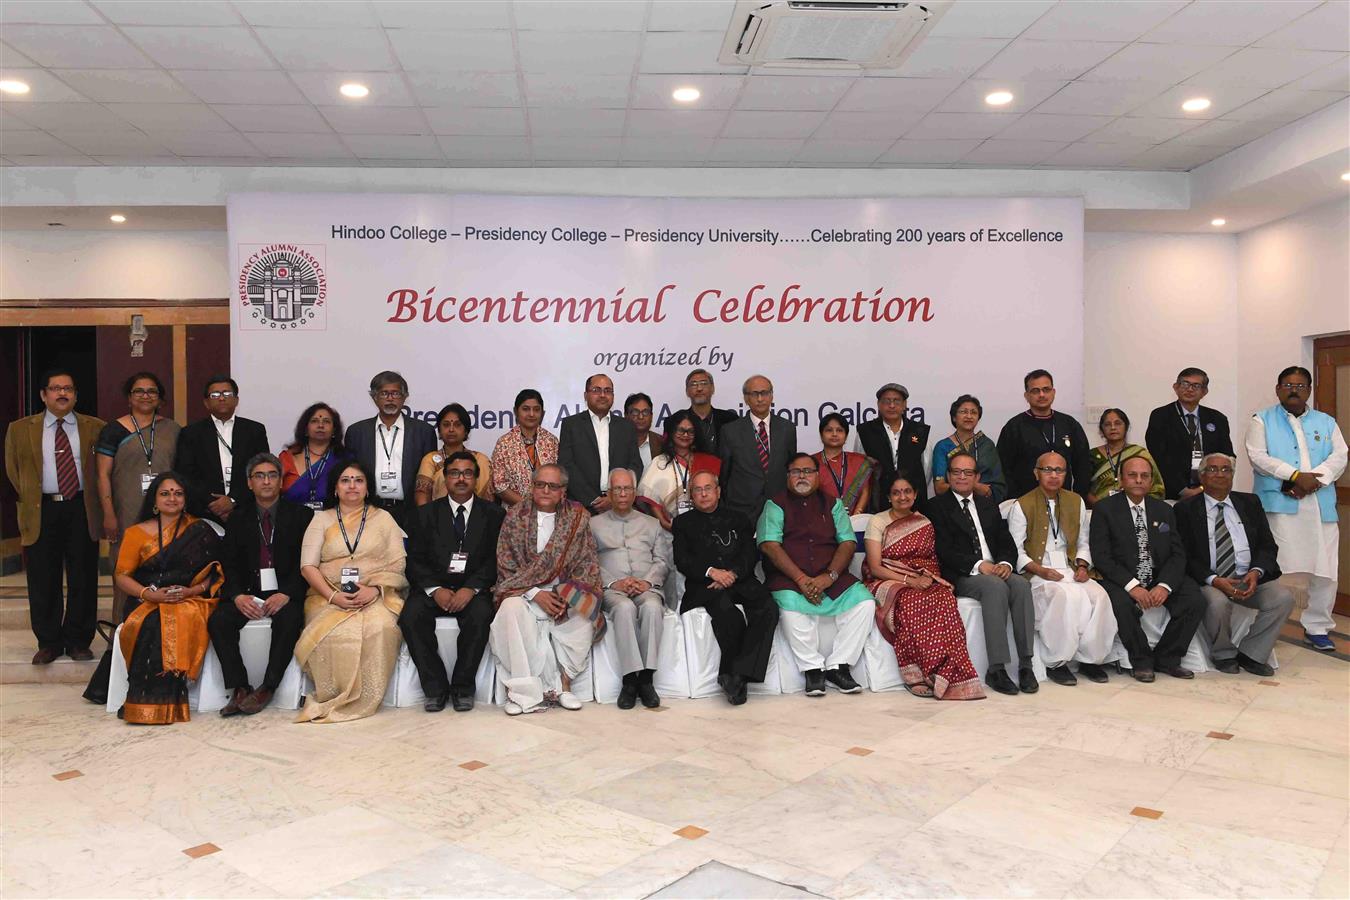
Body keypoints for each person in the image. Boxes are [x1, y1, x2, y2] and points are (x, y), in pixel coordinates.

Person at [294, 460, 409, 723]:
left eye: (358, 480)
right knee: (334, 632)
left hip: (376, 595)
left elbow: (397, 563)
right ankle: (334, 694)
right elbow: (308, 566)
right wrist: (333, 596)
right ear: (335, 488)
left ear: (368, 488)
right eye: (345, 480)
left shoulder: (384, 518)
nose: (352, 486)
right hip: (326, 595)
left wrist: (376, 590)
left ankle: (366, 697)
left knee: (381, 626)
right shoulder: (320, 520)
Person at [4, 369, 104, 664]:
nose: (63, 394)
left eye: (69, 389)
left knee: (83, 576)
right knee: (42, 577)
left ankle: (77, 640)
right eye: (56, 389)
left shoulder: (95, 427)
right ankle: (48, 641)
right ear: (43, 395)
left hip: (80, 508)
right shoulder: (20, 428)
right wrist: (34, 495)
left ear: (75, 395)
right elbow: (13, 470)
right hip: (41, 509)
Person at [1245, 366, 1346, 652]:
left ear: (1309, 390)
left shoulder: (1326, 422)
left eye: (1301, 386)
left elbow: (1340, 456)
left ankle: (1317, 627)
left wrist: (1312, 481)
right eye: (1288, 384)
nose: (1294, 390)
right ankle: (1258, 624)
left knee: (1326, 571)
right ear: (1278, 389)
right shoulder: (1261, 420)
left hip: (1320, 506)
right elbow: (1257, 456)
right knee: (1267, 566)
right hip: (1278, 506)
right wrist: (1294, 476)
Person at [108, 472, 223, 724]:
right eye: (165, 493)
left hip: (191, 600)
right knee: (151, 623)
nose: (172, 498)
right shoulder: (136, 533)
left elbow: (216, 574)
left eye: (178, 493)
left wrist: (191, 591)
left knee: (177, 617)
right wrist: (150, 594)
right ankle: (140, 701)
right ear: (154, 500)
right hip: (146, 599)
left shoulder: (199, 529)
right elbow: (122, 576)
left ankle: (168, 703)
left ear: (185, 498)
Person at [491, 464, 603, 715]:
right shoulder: (515, 516)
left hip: (563, 590)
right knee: (510, 610)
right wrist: (535, 594)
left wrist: (565, 594)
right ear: (532, 487)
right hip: (523, 591)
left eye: (553, 486)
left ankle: (563, 686)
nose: (545, 490)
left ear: (563, 491)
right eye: (540, 484)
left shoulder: (577, 517)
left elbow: (587, 561)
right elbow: (506, 565)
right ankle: (521, 692)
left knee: (584, 608)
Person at [758, 454, 873, 697]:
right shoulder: (775, 505)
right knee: (789, 607)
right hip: (790, 578)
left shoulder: (833, 504)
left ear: (818, 476)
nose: (802, 476)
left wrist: (829, 577)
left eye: (808, 471)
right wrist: (800, 579)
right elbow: (770, 545)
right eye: (796, 472)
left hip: (830, 576)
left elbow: (848, 543)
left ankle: (838, 665)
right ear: (787, 476)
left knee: (864, 603)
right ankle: (812, 669)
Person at [862, 473, 984, 700]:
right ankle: (916, 674)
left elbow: (930, 561)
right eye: (896, 492)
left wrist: (925, 579)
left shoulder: (924, 522)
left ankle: (948, 671)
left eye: (907, 491)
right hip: (885, 580)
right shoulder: (878, 521)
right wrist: (909, 581)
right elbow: (875, 566)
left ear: (916, 494)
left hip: (921, 578)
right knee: (910, 600)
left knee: (944, 597)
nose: (902, 497)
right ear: (888, 497)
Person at [211, 452, 314, 715]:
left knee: (290, 619)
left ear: (281, 481)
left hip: (287, 592)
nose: (266, 481)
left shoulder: (302, 516)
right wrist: (236, 596)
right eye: (259, 476)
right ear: (249, 483)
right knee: (219, 620)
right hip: (248, 592)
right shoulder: (237, 518)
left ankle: (268, 687)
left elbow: (308, 563)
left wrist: (287, 594)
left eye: (272, 475)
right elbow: (229, 564)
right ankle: (240, 688)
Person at [402, 451, 504, 712]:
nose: (461, 479)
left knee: (481, 615)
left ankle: (462, 688)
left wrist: (471, 588)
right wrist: (435, 590)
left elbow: (497, 559)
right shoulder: (425, 514)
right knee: (410, 616)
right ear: (445, 479)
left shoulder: (494, 515)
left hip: (473, 589)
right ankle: (434, 689)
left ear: (477, 479)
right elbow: (414, 560)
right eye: (454, 473)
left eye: (468, 473)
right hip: (433, 588)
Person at [929, 452, 1038, 694]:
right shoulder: (936, 506)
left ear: (977, 477)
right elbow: (944, 549)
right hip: (964, 574)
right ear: (948, 475)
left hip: (995, 568)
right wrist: (980, 566)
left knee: (1021, 585)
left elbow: (1005, 541)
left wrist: (1005, 564)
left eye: (968, 472)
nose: (962, 477)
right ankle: (996, 669)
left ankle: (1026, 665)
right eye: (956, 472)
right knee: (995, 586)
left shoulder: (987, 503)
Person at [1174, 453, 1293, 676]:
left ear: (1233, 475)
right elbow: (1183, 555)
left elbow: (1267, 546)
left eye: (1226, 469)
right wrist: (1214, 580)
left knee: (1283, 598)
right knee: (1217, 604)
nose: (1219, 474)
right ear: (1201, 476)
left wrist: (1256, 572)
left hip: (1248, 578)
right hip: (1210, 580)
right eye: (1212, 469)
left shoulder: (1250, 502)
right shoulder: (1185, 509)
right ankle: (1223, 654)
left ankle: (1252, 654)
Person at [1089, 456, 1205, 682]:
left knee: (1194, 600)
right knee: (1121, 605)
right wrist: (1133, 587)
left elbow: (1177, 554)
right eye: (1132, 475)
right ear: (1121, 480)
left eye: (1145, 476)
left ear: (1152, 481)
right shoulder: (1104, 509)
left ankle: (1167, 658)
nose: (1139, 480)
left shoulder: (1164, 510)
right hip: (1121, 577)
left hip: (1158, 575)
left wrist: (1164, 585)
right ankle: (1141, 661)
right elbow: (1102, 557)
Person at [1006, 452, 1117, 686]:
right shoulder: (1021, 505)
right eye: (1047, 470)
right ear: (1036, 473)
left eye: (1060, 470)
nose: (1054, 475)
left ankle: (1091, 659)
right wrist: (1040, 570)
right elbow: (1014, 551)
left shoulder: (1076, 501)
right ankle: (1058, 662)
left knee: (1099, 596)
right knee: (1062, 595)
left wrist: (1083, 565)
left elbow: (1084, 541)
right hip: (1038, 572)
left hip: (1069, 567)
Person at [672, 471, 780, 705]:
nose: (703, 494)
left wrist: (732, 573)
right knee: (728, 615)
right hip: (706, 584)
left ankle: (735, 674)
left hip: (740, 579)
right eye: (698, 490)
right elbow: (682, 559)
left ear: (718, 491)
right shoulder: (682, 523)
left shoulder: (739, 518)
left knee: (768, 608)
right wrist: (713, 572)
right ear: (692, 495)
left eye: (708, 488)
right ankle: (737, 678)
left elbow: (750, 553)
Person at [95, 372, 181, 623]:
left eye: (152, 391)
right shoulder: (113, 430)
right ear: (129, 397)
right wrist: (109, 514)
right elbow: (102, 475)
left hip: (168, 514)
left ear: (160, 399)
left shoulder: (172, 429)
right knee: (126, 572)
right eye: (139, 391)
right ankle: (121, 637)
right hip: (126, 513)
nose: (145, 396)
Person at [591, 468, 668, 708]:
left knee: (653, 607)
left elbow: (663, 560)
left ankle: (646, 679)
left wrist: (647, 582)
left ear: (634, 493)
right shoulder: (593, 524)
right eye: (617, 489)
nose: (622, 493)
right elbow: (588, 562)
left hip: (648, 586)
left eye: (627, 489)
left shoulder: (652, 524)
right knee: (624, 608)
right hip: (612, 589)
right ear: (609, 493)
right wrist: (615, 583)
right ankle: (629, 681)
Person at [344, 371, 437, 529]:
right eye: (384, 393)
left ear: (405, 397)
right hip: (368, 511)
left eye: (395, 393)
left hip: (410, 513)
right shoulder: (356, 432)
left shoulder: (423, 432)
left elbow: (429, 476)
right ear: (374, 398)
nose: (390, 398)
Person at [173, 375, 270, 525]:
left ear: (236, 400)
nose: (222, 398)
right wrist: (215, 504)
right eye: (215, 395)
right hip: (204, 512)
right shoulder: (191, 433)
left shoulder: (254, 430)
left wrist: (232, 500)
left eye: (227, 393)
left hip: (246, 509)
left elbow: (262, 469)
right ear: (206, 402)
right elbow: (185, 474)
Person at [997, 370, 1091, 500]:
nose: (1041, 395)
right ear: (1026, 396)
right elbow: (1004, 468)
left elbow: (1083, 465)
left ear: (1053, 392)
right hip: (1026, 501)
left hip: (1064, 500)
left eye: (1046, 389)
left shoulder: (1069, 424)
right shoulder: (1014, 427)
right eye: (1035, 391)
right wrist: (1015, 500)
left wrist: (1078, 498)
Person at [558, 374, 644, 515]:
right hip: (582, 506)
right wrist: (593, 499)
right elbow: (566, 464)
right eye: (596, 390)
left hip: (619, 504)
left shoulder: (626, 427)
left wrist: (614, 496)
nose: (603, 395)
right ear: (586, 395)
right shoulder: (571, 425)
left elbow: (635, 464)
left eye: (607, 390)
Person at [1145, 367, 1234, 501]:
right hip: (1172, 494)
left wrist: (1204, 488)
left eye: (1196, 386)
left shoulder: (1217, 419)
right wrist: (1182, 490)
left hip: (1211, 493)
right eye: (1185, 384)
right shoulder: (1160, 416)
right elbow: (1159, 457)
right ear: (1175, 387)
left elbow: (1227, 456)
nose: (1190, 389)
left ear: (1204, 392)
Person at [718, 375, 797, 522]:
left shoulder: (787, 428)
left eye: (765, 393)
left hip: (779, 506)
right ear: (746, 399)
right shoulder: (730, 431)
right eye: (754, 394)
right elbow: (724, 474)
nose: (760, 399)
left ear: (772, 396)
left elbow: (791, 469)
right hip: (742, 509)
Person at [636, 409, 722, 530]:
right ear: (671, 431)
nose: (685, 435)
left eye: (690, 431)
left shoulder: (706, 462)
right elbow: (651, 498)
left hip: (706, 527)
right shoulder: (660, 462)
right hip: (668, 529)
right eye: (681, 430)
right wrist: (664, 522)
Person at [854, 383, 931, 512]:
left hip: (913, 502)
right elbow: (861, 469)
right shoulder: (865, 431)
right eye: (886, 401)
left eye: (896, 401)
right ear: (878, 405)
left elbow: (926, 469)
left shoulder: (920, 431)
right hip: (878, 501)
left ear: (905, 404)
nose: (891, 405)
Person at [414, 403, 493, 505]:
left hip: (477, 517)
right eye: (446, 425)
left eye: (457, 425)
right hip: (439, 518)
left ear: (466, 431)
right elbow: (422, 497)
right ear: (439, 430)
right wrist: (428, 519)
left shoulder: (480, 460)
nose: (451, 429)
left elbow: (488, 500)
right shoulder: (430, 460)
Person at [932, 394, 1006, 503]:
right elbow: (939, 487)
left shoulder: (987, 445)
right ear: (954, 417)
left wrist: (986, 490)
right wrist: (973, 486)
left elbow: (998, 486)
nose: (969, 416)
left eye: (973, 412)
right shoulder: (943, 446)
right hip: (952, 506)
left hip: (984, 504)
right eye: (964, 412)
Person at [491, 389, 559, 507]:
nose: (531, 414)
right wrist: (528, 506)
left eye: (536, 409)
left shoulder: (551, 441)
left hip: (549, 510)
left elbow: (560, 479)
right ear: (516, 412)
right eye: (526, 409)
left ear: (542, 413)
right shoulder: (504, 443)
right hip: (515, 513)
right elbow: (499, 484)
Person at [1088, 408, 1164, 506]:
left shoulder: (1140, 454)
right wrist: (1101, 507)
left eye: (1118, 423)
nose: (1113, 427)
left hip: (1137, 509)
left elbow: (1157, 488)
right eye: (1107, 424)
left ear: (1126, 427)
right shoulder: (1091, 455)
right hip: (1100, 509)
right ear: (1102, 429)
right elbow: (1084, 489)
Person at [280, 402, 347, 511]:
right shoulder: (287, 458)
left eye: (326, 421)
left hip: (334, 523)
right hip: (292, 522)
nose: (320, 425)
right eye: (314, 421)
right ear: (305, 429)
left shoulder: (344, 460)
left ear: (334, 430)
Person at [813, 413, 872, 516]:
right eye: (829, 430)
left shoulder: (859, 461)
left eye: (839, 430)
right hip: (820, 520)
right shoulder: (811, 462)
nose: (834, 434)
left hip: (855, 522)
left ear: (846, 436)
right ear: (821, 435)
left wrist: (855, 517)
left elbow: (865, 491)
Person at [671, 368, 739, 454]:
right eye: (694, 384)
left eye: (704, 383)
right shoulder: (673, 421)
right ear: (687, 391)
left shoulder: (730, 420)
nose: (699, 388)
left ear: (712, 388)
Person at [625, 392, 664, 471]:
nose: (640, 417)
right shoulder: (615, 442)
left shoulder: (662, 443)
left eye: (645, 412)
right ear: (626, 415)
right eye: (635, 412)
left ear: (651, 416)